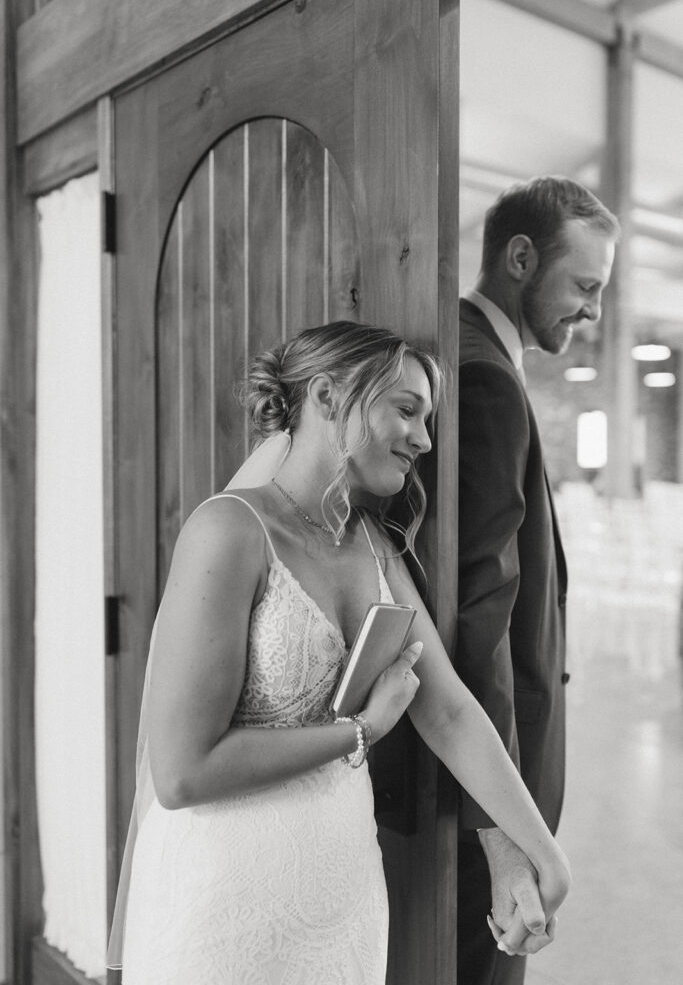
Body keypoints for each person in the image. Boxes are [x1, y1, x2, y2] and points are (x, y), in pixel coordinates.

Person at [108, 320, 571, 984]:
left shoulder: (375, 546)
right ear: (327, 394)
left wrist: (541, 850)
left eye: (427, 417)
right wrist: (360, 730)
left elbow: (449, 714)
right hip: (225, 902)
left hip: (344, 901)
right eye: (406, 409)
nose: (424, 438)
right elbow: (182, 772)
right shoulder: (229, 530)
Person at [456, 176, 620, 985]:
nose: (592, 312)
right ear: (519, 257)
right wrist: (504, 831)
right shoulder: (484, 377)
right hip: (488, 782)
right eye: (583, 286)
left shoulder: (465, 351)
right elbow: (477, 618)